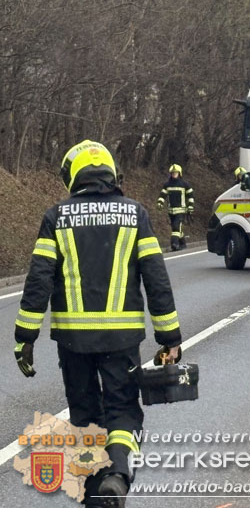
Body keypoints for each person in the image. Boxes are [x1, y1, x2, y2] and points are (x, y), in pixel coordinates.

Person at [14, 140, 182, 507]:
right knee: (123, 409)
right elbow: (156, 278)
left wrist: (24, 339)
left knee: (85, 416)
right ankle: (118, 476)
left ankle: (93, 494)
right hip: (122, 340)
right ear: (110, 172)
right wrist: (170, 337)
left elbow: (38, 281)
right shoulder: (135, 214)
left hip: (74, 342)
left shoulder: (56, 217)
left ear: (72, 177)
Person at [157, 164, 194, 251]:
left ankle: (174, 244)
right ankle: (183, 243)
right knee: (177, 228)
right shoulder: (167, 184)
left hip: (181, 210)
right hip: (171, 211)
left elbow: (190, 196)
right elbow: (163, 195)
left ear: (179, 173)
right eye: (172, 173)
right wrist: (160, 203)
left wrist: (190, 207)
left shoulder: (185, 184)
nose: (174, 174)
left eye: (175, 173)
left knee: (176, 227)